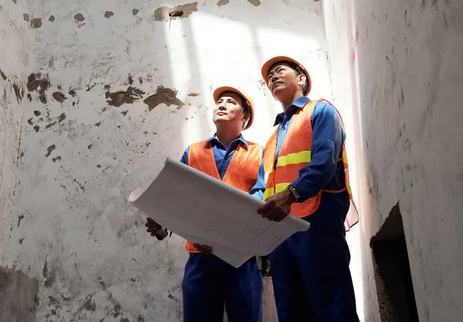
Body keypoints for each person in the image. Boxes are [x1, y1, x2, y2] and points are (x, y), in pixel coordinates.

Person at [145, 86, 265, 322]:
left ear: (245, 117)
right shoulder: (193, 152)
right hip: (201, 259)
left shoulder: (258, 154)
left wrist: (224, 238)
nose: (221, 105)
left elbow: (260, 206)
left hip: (240, 259)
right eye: (219, 101)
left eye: (231, 102)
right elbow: (176, 200)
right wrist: (162, 226)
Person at [255, 56, 360, 322]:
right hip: (280, 237)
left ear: (301, 78)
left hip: (316, 225)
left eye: (280, 71)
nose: (273, 77)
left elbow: (324, 161)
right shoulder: (271, 140)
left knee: (333, 308)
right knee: (292, 313)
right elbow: (262, 190)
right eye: (269, 77)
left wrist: (291, 195)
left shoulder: (321, 111)